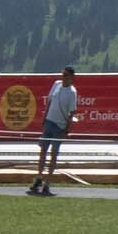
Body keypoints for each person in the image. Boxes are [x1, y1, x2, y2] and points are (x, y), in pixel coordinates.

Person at [32, 67, 80, 196]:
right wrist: (44, 118)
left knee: (53, 154)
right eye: (62, 74)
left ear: (71, 77)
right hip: (49, 121)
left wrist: (67, 129)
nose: (63, 77)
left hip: (60, 126)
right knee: (43, 150)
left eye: (66, 75)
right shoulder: (56, 84)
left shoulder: (72, 92)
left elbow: (72, 113)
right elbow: (49, 102)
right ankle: (39, 177)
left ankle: (47, 183)